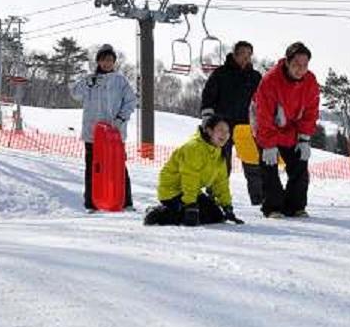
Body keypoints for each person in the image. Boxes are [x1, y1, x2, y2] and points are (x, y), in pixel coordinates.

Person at [254, 41, 320, 219]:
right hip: (267, 128)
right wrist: (268, 143)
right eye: (296, 65)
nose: (301, 69)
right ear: (287, 62)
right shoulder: (270, 81)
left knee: (300, 164)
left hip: (292, 130)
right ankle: (273, 207)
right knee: (269, 166)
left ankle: (296, 206)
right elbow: (263, 114)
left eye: (305, 65)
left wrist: (304, 138)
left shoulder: (311, 81)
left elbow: (311, 112)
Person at [143, 115, 244, 226]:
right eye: (220, 130)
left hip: (192, 191)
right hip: (172, 191)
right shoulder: (194, 148)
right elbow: (189, 177)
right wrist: (190, 205)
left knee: (216, 216)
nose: (225, 135)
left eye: (227, 131)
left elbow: (221, 183)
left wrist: (227, 206)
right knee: (191, 219)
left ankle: (181, 210)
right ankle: (157, 214)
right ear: (209, 131)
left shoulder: (218, 152)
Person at [69, 43, 136, 212]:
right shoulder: (89, 80)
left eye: (110, 60)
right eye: (104, 60)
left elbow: (130, 101)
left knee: (119, 166)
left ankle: (125, 202)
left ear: (114, 62)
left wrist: (121, 118)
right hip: (93, 133)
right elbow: (75, 94)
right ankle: (91, 203)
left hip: (114, 133)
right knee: (93, 166)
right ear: (98, 61)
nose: (107, 63)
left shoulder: (120, 81)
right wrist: (86, 83)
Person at [200, 40, 264, 205]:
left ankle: (260, 199)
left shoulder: (255, 77)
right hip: (223, 125)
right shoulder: (221, 74)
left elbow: (264, 99)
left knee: (252, 164)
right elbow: (208, 96)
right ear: (235, 54)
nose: (246, 58)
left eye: (249, 55)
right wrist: (208, 117)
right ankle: (214, 198)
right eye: (243, 54)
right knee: (221, 164)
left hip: (245, 126)